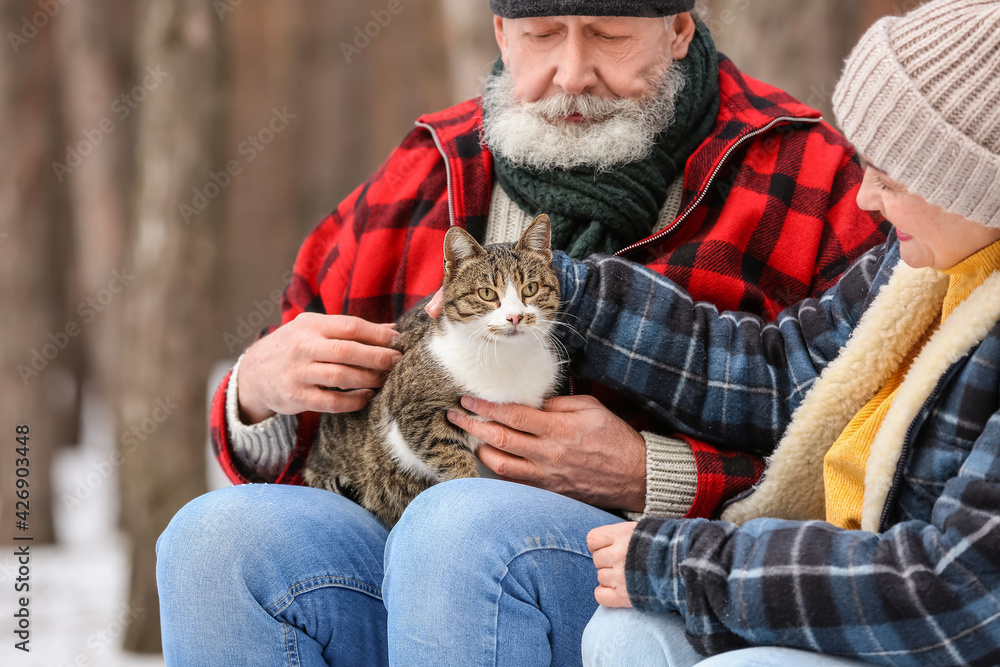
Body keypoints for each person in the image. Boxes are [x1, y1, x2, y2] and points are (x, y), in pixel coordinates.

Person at [155, 1, 886, 665]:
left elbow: (879, 464)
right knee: (215, 541)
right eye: (541, 36)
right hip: (399, 533)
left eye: (608, 35)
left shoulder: (803, 168)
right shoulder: (433, 162)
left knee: (461, 528)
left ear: (678, 30)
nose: (571, 73)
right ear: (501, 34)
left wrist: (654, 473)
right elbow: (299, 414)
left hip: (649, 582)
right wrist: (255, 392)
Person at [559, 1, 1000, 664]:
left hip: (928, 627)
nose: (865, 200)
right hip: (845, 585)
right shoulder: (927, 261)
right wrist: (580, 297)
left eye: (891, 177)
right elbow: (784, 369)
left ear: (973, 187)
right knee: (625, 632)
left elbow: (958, 591)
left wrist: (696, 565)